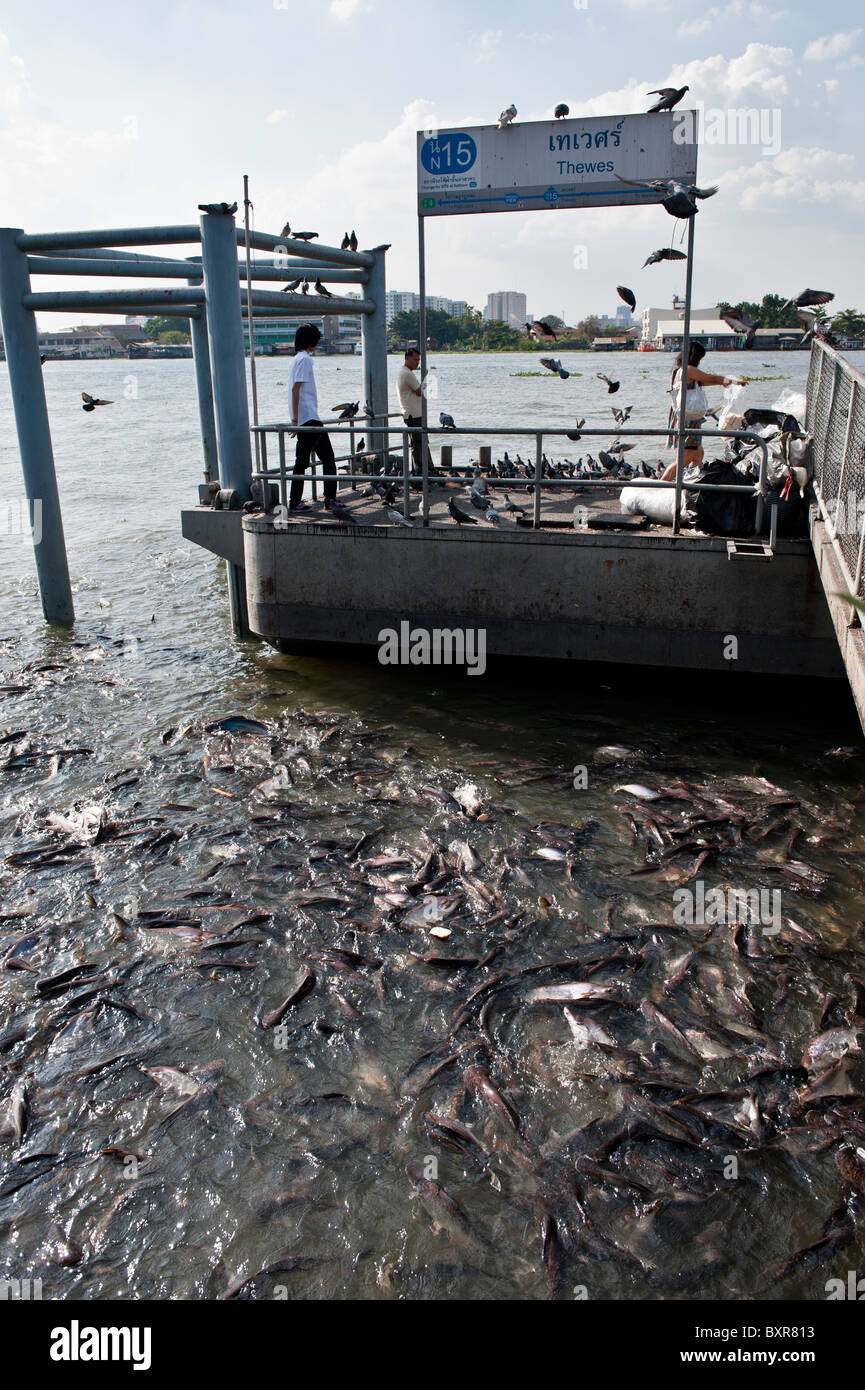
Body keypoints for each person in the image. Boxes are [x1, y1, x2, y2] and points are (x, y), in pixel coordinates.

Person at [660, 342, 746, 481]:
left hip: (687, 418)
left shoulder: (679, 371)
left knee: (697, 455)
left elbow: (706, 381)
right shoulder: (689, 370)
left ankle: (690, 484)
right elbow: (710, 378)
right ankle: (661, 485)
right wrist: (734, 382)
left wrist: (726, 382)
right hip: (688, 420)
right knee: (685, 459)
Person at [288, 323, 337, 513]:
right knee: (328, 458)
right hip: (309, 418)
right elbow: (296, 389)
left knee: (301, 461)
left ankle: (295, 501)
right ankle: (329, 500)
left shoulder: (295, 359)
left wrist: (295, 419)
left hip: (305, 418)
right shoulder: (305, 360)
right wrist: (295, 420)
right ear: (312, 340)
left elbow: (294, 389)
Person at [397, 346, 434, 475]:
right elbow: (420, 391)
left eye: (418, 360)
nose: (417, 362)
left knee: (420, 443)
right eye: (415, 359)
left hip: (413, 413)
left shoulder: (405, 372)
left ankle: (425, 470)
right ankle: (423, 472)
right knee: (419, 444)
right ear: (407, 358)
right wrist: (425, 378)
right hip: (413, 414)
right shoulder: (407, 373)